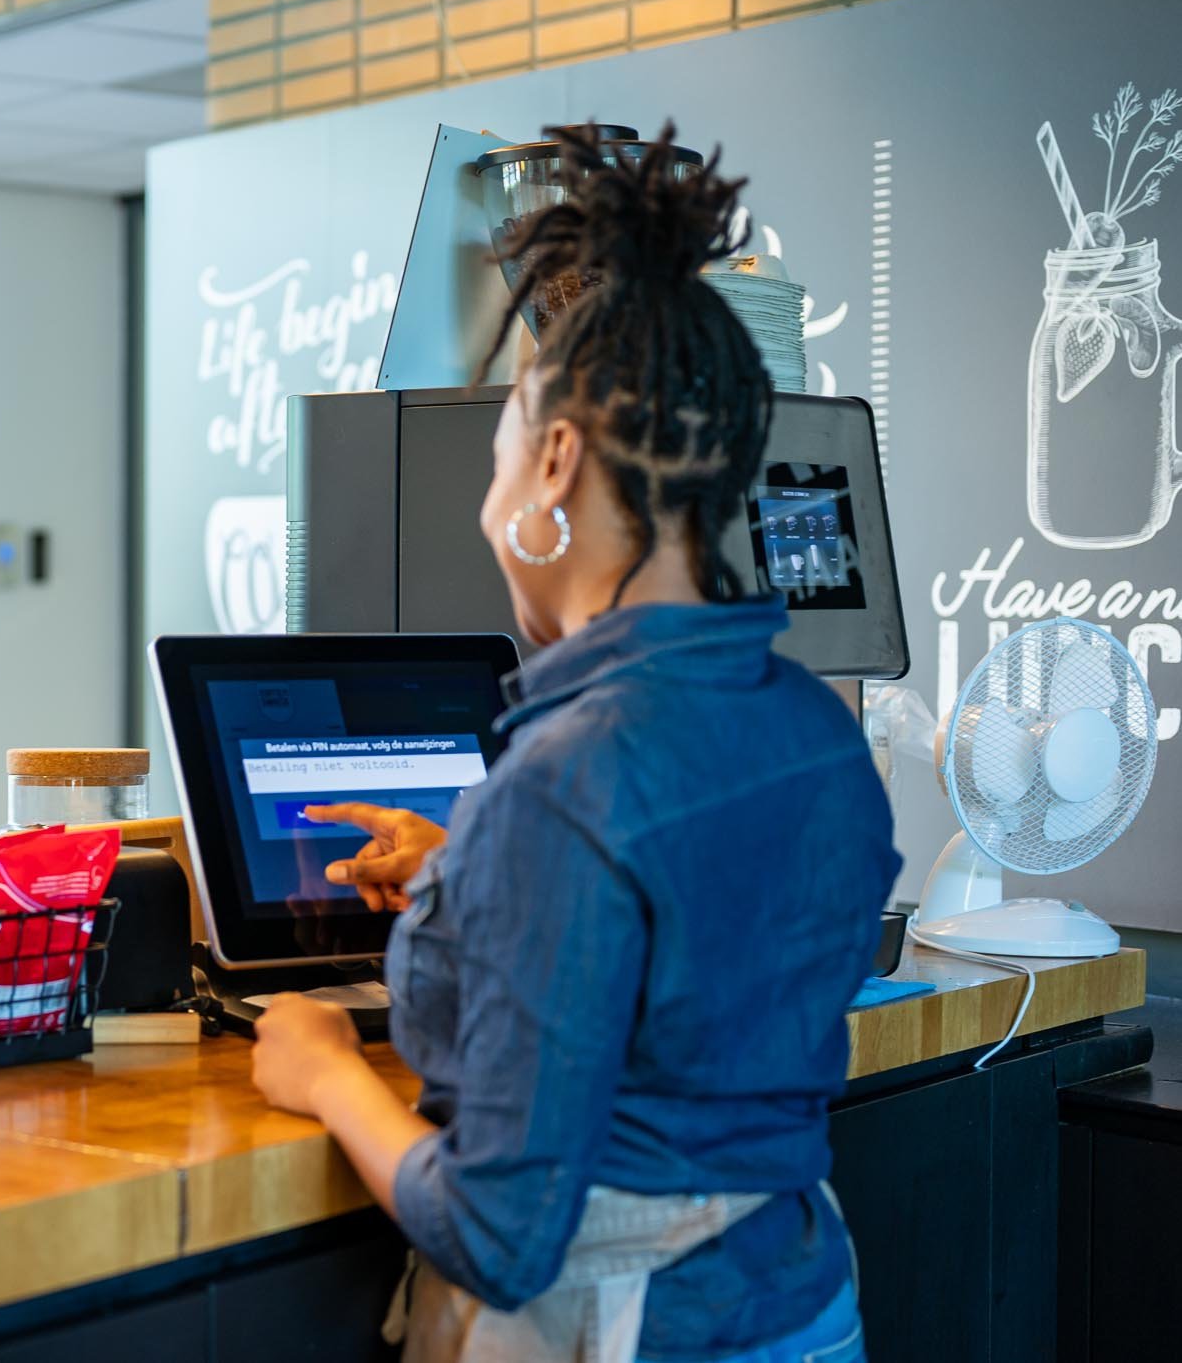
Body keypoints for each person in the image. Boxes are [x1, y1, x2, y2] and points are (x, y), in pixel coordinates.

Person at [249, 127, 901, 1363]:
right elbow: (688, 947)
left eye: (498, 457)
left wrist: (328, 1071)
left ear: (552, 464)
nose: (491, 504)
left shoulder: (560, 791)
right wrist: (463, 869)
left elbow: (501, 1235)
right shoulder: (815, 729)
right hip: (807, 1313)